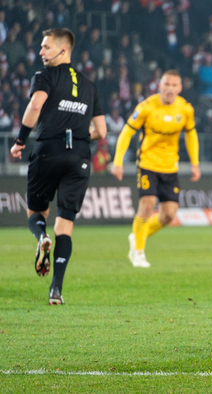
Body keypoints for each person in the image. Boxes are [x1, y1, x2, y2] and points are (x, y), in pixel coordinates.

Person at [9, 28, 107, 305]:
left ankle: (41, 237)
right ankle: (56, 290)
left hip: (48, 150)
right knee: (66, 222)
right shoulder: (89, 84)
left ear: (63, 50)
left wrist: (19, 141)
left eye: (46, 47)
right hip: (79, 156)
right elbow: (101, 130)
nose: (40, 52)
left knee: (36, 211)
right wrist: (77, 131)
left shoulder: (45, 76)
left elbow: (35, 105)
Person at [111, 69, 201, 268]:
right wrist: (118, 161)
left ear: (180, 88)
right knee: (147, 203)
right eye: (166, 84)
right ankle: (138, 252)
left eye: (174, 85)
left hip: (170, 167)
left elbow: (191, 136)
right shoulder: (146, 107)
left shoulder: (185, 109)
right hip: (148, 164)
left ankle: (137, 236)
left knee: (168, 214)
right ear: (159, 85)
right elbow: (126, 132)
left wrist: (195, 163)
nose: (170, 89)